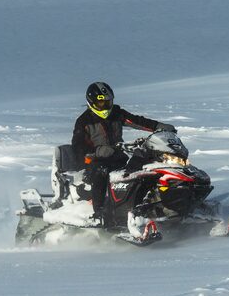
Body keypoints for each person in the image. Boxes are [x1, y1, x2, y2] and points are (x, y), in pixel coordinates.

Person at [72, 81, 174, 225]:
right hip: (95, 163)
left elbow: (137, 121)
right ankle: (99, 213)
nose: (105, 106)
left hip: (118, 158)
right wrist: (98, 151)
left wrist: (158, 127)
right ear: (92, 103)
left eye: (108, 102)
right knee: (102, 171)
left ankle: (153, 203)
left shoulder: (116, 113)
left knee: (143, 165)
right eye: (101, 103)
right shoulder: (84, 121)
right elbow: (77, 148)